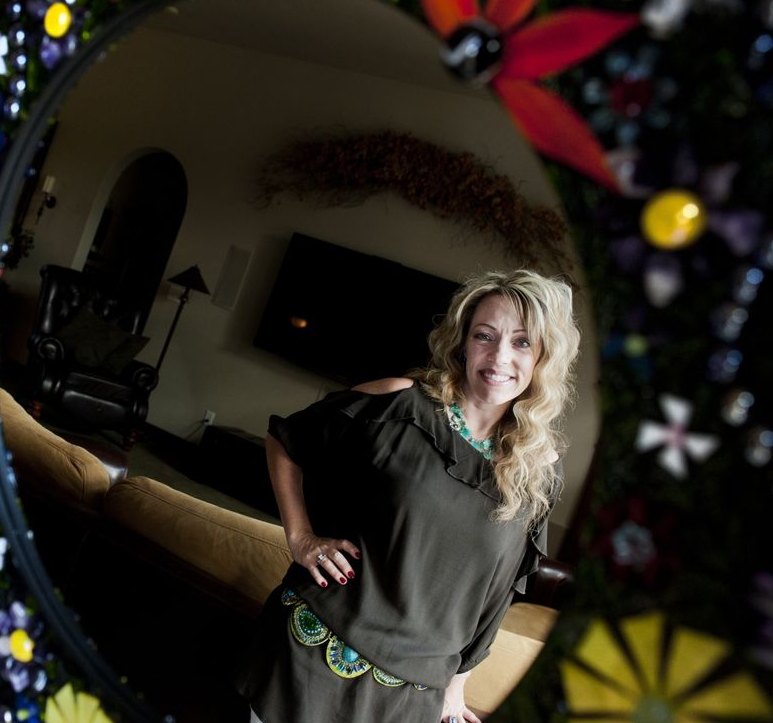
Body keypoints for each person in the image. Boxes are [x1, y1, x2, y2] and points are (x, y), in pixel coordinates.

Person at [235, 269, 580, 723]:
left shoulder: (539, 472)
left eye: (521, 342)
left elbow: (497, 596)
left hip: (409, 699)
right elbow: (286, 439)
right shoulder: (398, 403)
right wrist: (301, 538)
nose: (499, 356)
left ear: (543, 358)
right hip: (309, 659)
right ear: (462, 341)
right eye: (485, 335)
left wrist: (457, 688)